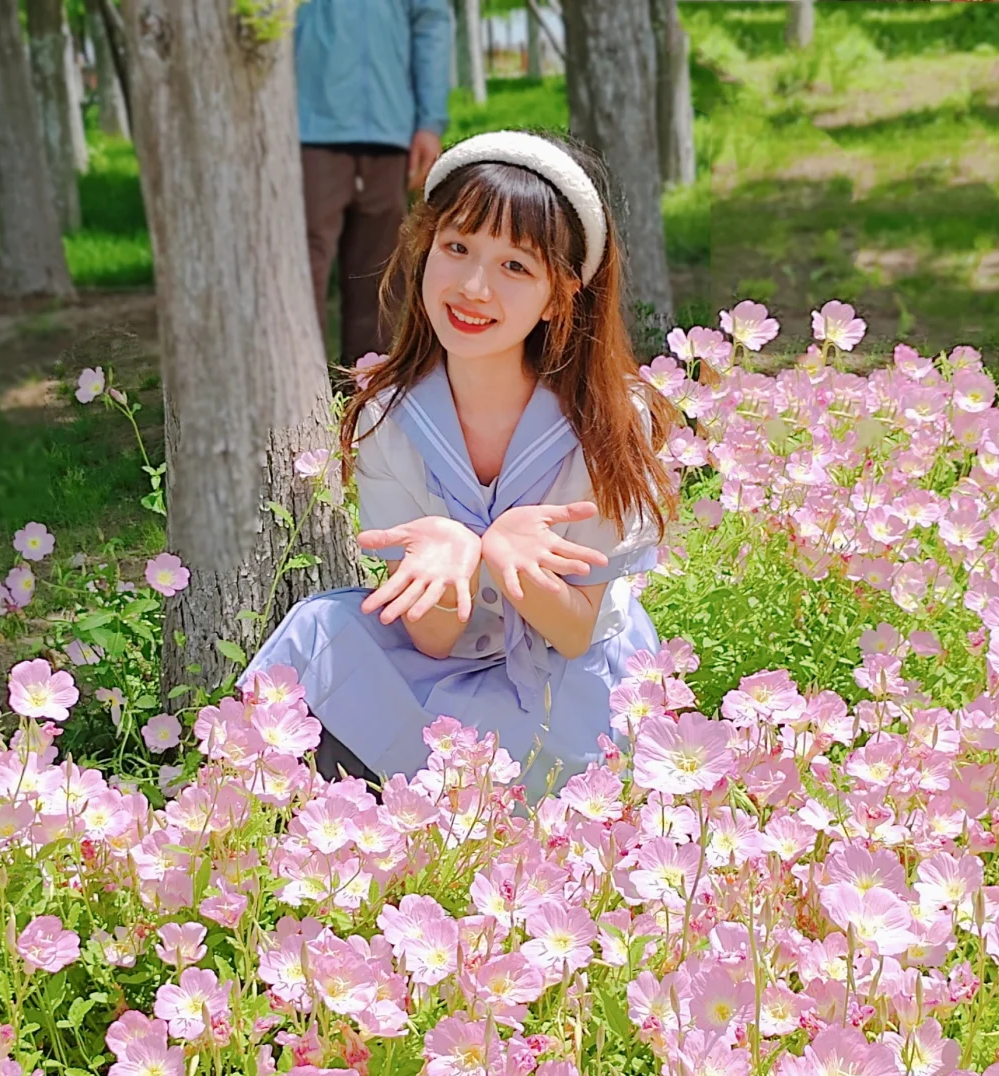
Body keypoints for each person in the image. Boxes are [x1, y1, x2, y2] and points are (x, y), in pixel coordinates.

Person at [240, 129, 681, 801]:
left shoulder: (608, 422)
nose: (474, 287)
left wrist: (503, 556)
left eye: (515, 267)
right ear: (425, 247)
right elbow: (435, 640)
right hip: (447, 658)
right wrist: (457, 555)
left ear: (560, 295)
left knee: (561, 735)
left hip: (571, 669)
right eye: (457, 248)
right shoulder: (389, 416)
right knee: (320, 635)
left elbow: (571, 630)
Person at [294, 0, 453, 363]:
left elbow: (431, 24)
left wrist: (430, 122)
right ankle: (301, 401)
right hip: (308, 130)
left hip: (390, 131)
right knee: (303, 270)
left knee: (379, 274)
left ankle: (367, 400)